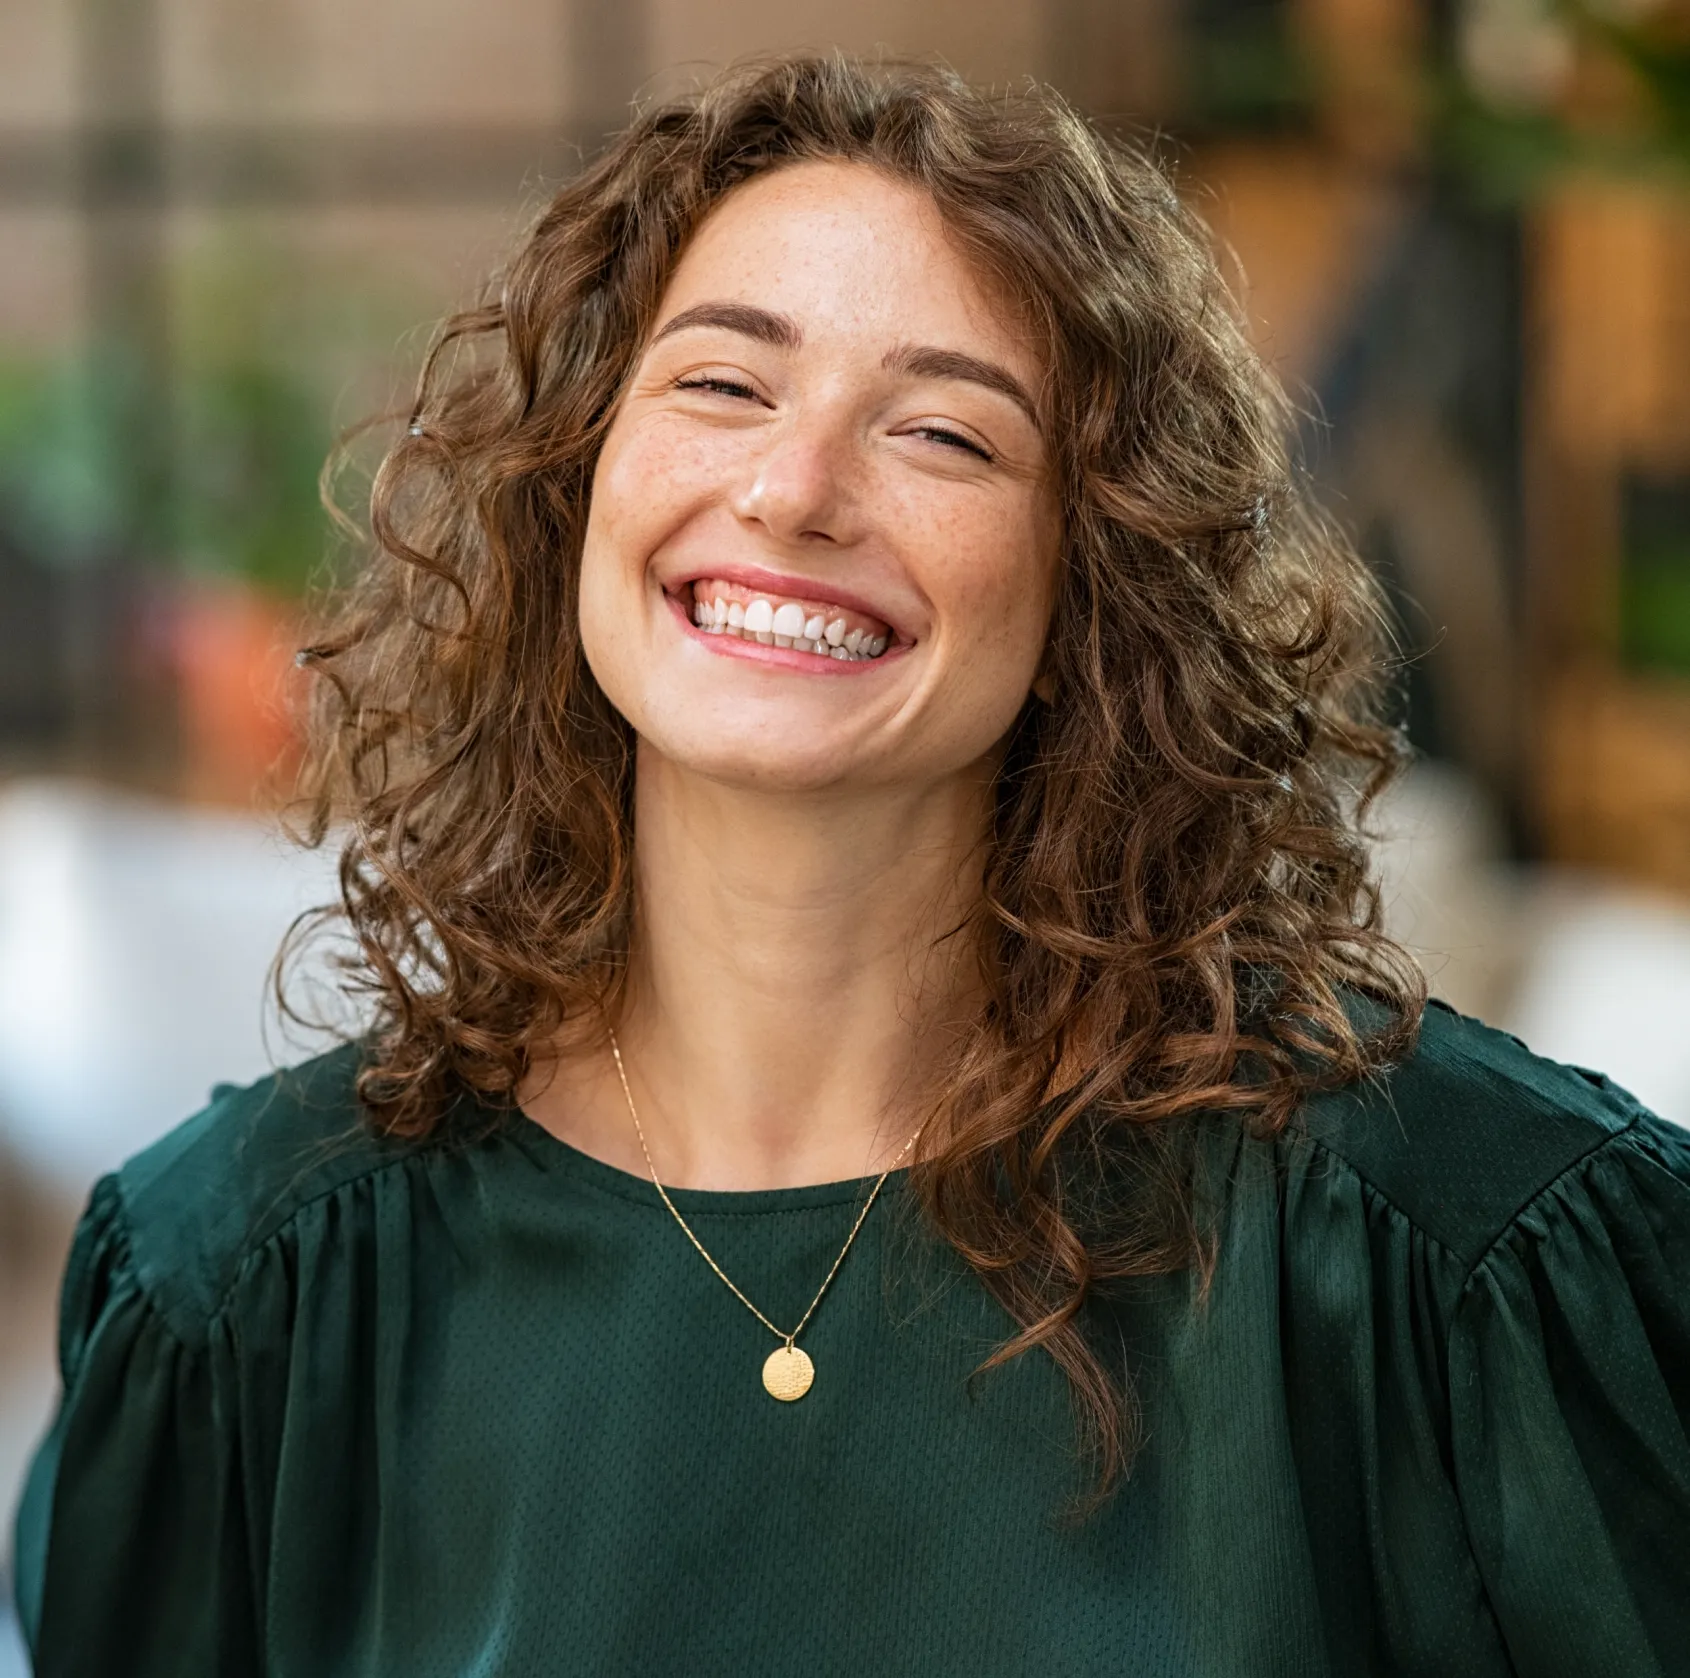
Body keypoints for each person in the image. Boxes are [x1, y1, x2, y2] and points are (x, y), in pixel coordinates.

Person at [13, 54, 1690, 1677]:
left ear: (1094, 581)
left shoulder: (1457, 1255)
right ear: (572, 480)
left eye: (944, 435)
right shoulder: (242, 1293)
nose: (793, 487)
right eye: (722, 384)